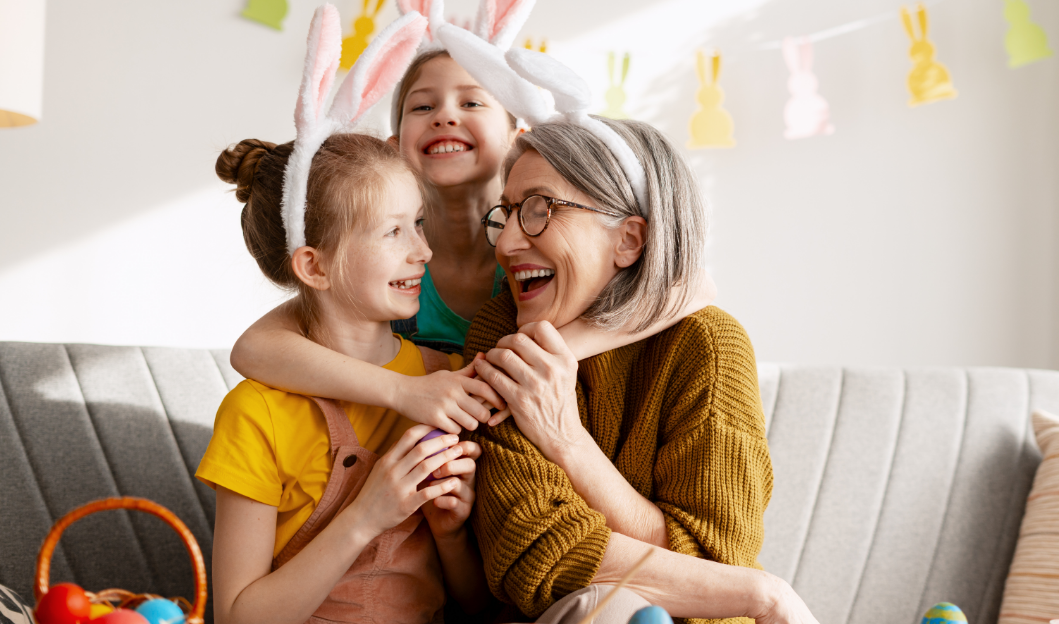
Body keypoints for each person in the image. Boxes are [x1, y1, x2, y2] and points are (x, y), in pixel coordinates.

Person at [229, 8, 715, 434]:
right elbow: (253, 349)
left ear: (518, 136)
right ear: (393, 146)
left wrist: (546, 358)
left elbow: (692, 287)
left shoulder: (536, 255)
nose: (444, 116)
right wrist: (405, 391)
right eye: (422, 105)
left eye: (472, 101)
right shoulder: (383, 268)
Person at [464, 117, 820, 624]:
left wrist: (565, 440)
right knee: (608, 608)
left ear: (629, 239)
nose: (506, 244)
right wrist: (763, 595)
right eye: (507, 214)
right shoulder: (502, 335)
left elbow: (716, 562)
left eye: (540, 210)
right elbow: (536, 554)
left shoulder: (706, 346)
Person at [197, 10, 491, 624]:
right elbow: (238, 616)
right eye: (393, 232)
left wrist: (451, 532)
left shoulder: (445, 381)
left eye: (418, 222)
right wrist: (368, 514)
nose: (423, 251)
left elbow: (477, 605)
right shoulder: (257, 414)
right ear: (314, 265)